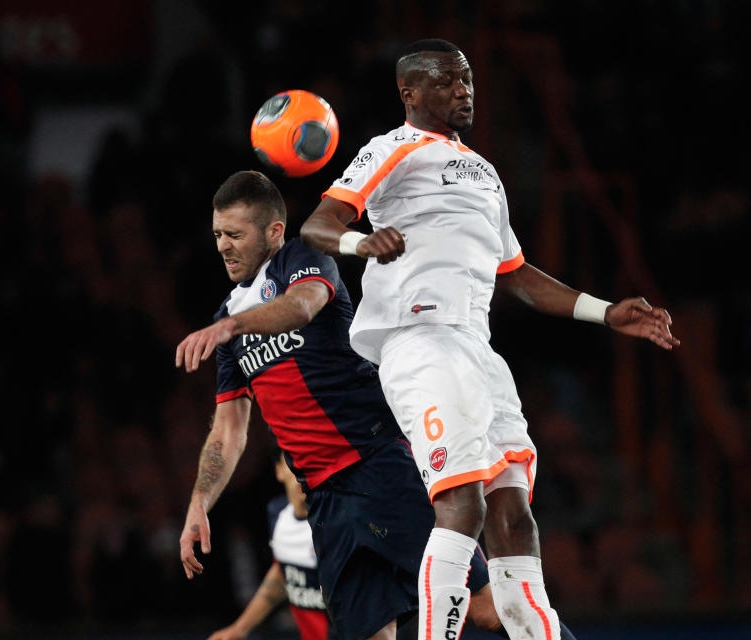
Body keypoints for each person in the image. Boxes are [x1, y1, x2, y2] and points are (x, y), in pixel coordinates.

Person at [299, 39, 680, 640]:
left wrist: (606, 313)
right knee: (464, 502)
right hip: (419, 338)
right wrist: (361, 243)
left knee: (512, 509)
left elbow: (519, 277)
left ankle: (536, 631)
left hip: (478, 349)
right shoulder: (391, 149)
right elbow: (319, 224)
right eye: (448, 80)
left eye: (468, 80)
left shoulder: (486, 172)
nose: (464, 90)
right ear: (410, 92)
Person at [175, 170, 502, 640]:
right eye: (217, 235)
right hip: (324, 502)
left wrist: (232, 327)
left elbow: (305, 305)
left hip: (378, 468)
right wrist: (200, 502)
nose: (223, 245)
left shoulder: (304, 258)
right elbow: (229, 428)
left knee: (486, 608)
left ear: (272, 231)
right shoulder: (229, 319)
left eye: (234, 234)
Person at [207, 451, 332, 640]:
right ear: (278, 470)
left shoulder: (338, 521)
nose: (301, 473)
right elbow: (284, 571)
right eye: (292, 462)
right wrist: (240, 628)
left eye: (308, 463)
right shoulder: (277, 513)